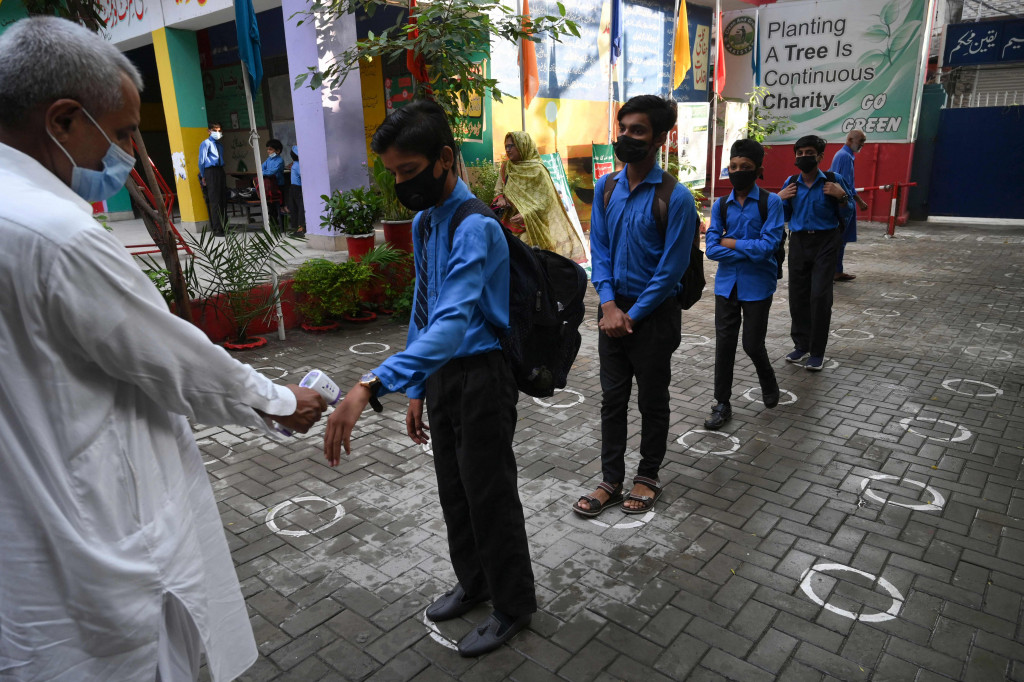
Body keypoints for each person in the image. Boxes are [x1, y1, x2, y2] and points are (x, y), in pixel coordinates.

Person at [0, 17, 327, 681]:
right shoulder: (57, 233)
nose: (129, 153)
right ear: (63, 120)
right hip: (100, 543)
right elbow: (172, 360)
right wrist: (280, 401)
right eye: (120, 133)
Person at [322, 100, 536, 658]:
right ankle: (474, 582)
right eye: (393, 173)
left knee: (490, 495)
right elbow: (423, 306)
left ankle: (513, 605)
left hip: (483, 376)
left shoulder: (477, 228)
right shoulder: (423, 222)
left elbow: (452, 321)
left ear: (445, 159)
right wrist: (417, 387)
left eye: (409, 172)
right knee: (454, 491)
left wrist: (371, 384)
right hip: (440, 378)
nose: (401, 184)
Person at [574, 95, 697, 517]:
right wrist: (608, 305)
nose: (625, 137)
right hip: (612, 312)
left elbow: (671, 270)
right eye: (623, 129)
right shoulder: (607, 188)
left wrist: (633, 314)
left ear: (661, 138)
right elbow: (600, 250)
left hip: (654, 315)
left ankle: (647, 477)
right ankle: (610, 478)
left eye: (637, 131)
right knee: (612, 400)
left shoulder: (676, 198)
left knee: (652, 400)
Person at [703, 139, 784, 430]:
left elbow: (769, 246)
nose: (738, 172)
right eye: (733, 167)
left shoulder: (770, 202)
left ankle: (767, 378)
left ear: (758, 170)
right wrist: (742, 247)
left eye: (745, 167)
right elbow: (711, 248)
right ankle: (722, 403)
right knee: (724, 346)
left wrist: (731, 242)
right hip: (726, 286)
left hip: (758, 286)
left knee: (752, 343)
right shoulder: (721, 204)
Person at [777, 135, 855, 371]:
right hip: (799, 242)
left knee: (820, 296)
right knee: (798, 296)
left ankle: (817, 352)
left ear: (820, 156)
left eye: (809, 152)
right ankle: (801, 345)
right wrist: (778, 200)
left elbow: (848, 211)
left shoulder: (833, 180)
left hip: (825, 242)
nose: (803, 157)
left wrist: (841, 196)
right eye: (799, 153)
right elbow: (782, 215)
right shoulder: (790, 182)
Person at [492, 131, 586, 261]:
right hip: (509, 226)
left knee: (530, 264)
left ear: (522, 145)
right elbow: (499, 189)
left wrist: (527, 214)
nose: (507, 150)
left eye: (511, 146)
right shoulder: (506, 167)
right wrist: (501, 198)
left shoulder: (538, 170)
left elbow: (547, 201)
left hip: (533, 230)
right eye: (506, 146)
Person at [828, 129, 870, 281]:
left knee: (841, 239)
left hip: (844, 201)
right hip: (843, 203)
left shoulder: (845, 156)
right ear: (850, 140)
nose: (862, 145)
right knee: (840, 239)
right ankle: (835, 271)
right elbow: (844, 184)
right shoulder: (844, 157)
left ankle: (836, 269)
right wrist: (858, 200)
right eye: (861, 142)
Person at [198, 121, 227, 236]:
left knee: (223, 199)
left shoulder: (220, 145)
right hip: (211, 172)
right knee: (215, 200)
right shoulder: (205, 144)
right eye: (215, 130)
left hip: (220, 170)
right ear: (209, 131)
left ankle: (224, 225)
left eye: (219, 130)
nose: (217, 132)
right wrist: (203, 175)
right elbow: (201, 161)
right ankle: (217, 228)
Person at [287, 144, 305, 235]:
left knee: (297, 208)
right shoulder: (298, 165)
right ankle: (300, 228)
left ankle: (299, 228)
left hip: (294, 188)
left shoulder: (295, 165)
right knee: (300, 208)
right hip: (298, 188)